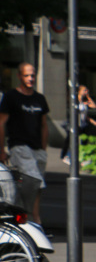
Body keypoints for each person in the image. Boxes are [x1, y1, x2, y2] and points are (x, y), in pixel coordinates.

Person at [0, 62, 50, 227]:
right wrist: (2, 149)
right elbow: (2, 123)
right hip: (19, 146)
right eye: (27, 75)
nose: (30, 78)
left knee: (36, 186)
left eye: (33, 75)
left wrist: (43, 149)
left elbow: (44, 124)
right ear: (19, 76)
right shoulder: (11, 97)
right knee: (34, 180)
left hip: (37, 149)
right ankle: (34, 221)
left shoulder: (39, 99)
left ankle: (24, 218)